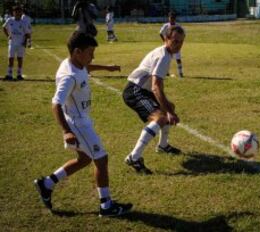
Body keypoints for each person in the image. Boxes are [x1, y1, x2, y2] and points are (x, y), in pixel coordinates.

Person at [34, 32, 132, 217]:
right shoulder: (69, 76)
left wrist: (106, 68)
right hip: (78, 124)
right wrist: (66, 132)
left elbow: (85, 68)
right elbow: (56, 104)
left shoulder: (74, 62)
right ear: (77, 52)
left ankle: (46, 184)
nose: (92, 56)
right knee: (101, 159)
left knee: (84, 159)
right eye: (90, 52)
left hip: (81, 120)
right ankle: (106, 206)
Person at [123, 26, 185, 174]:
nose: (178, 45)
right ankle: (134, 157)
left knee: (169, 106)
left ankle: (163, 146)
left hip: (144, 90)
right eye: (175, 41)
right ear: (166, 39)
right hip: (135, 90)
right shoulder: (163, 56)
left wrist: (168, 107)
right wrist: (169, 113)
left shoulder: (166, 53)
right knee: (160, 118)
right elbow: (156, 87)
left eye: (181, 42)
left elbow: (157, 85)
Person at [2, 6, 30, 81]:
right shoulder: (9, 20)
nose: (18, 13)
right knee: (10, 58)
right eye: (16, 11)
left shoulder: (24, 22)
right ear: (13, 12)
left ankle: (19, 74)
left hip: (21, 44)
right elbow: (4, 27)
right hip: (12, 43)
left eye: (19, 11)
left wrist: (25, 42)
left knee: (20, 59)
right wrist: (8, 36)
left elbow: (27, 34)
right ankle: (9, 74)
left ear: (21, 12)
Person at [159, 12, 184, 78]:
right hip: (168, 45)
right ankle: (166, 72)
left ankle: (180, 73)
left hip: (175, 45)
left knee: (178, 59)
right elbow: (160, 33)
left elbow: (183, 34)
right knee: (166, 58)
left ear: (175, 19)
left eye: (173, 18)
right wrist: (164, 41)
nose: (171, 19)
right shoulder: (166, 26)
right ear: (168, 18)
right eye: (170, 18)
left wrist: (179, 42)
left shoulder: (178, 26)